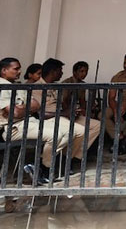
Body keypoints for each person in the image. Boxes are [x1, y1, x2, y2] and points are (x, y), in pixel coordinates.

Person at [0, 57, 72, 185]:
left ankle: (39, 166)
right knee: (55, 135)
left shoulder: (17, 86)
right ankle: (41, 169)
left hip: (28, 122)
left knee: (65, 133)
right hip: (12, 128)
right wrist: (25, 108)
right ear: (4, 70)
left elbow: (36, 105)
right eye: (16, 69)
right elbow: (14, 113)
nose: (19, 71)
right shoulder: (3, 86)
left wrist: (22, 108)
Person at [37, 58, 100, 169]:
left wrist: (73, 112)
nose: (61, 73)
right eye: (60, 70)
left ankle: (72, 156)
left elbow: (65, 103)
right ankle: (61, 161)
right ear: (53, 71)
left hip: (64, 114)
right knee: (78, 131)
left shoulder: (55, 86)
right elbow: (39, 113)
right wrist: (65, 113)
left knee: (96, 125)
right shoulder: (38, 87)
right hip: (52, 118)